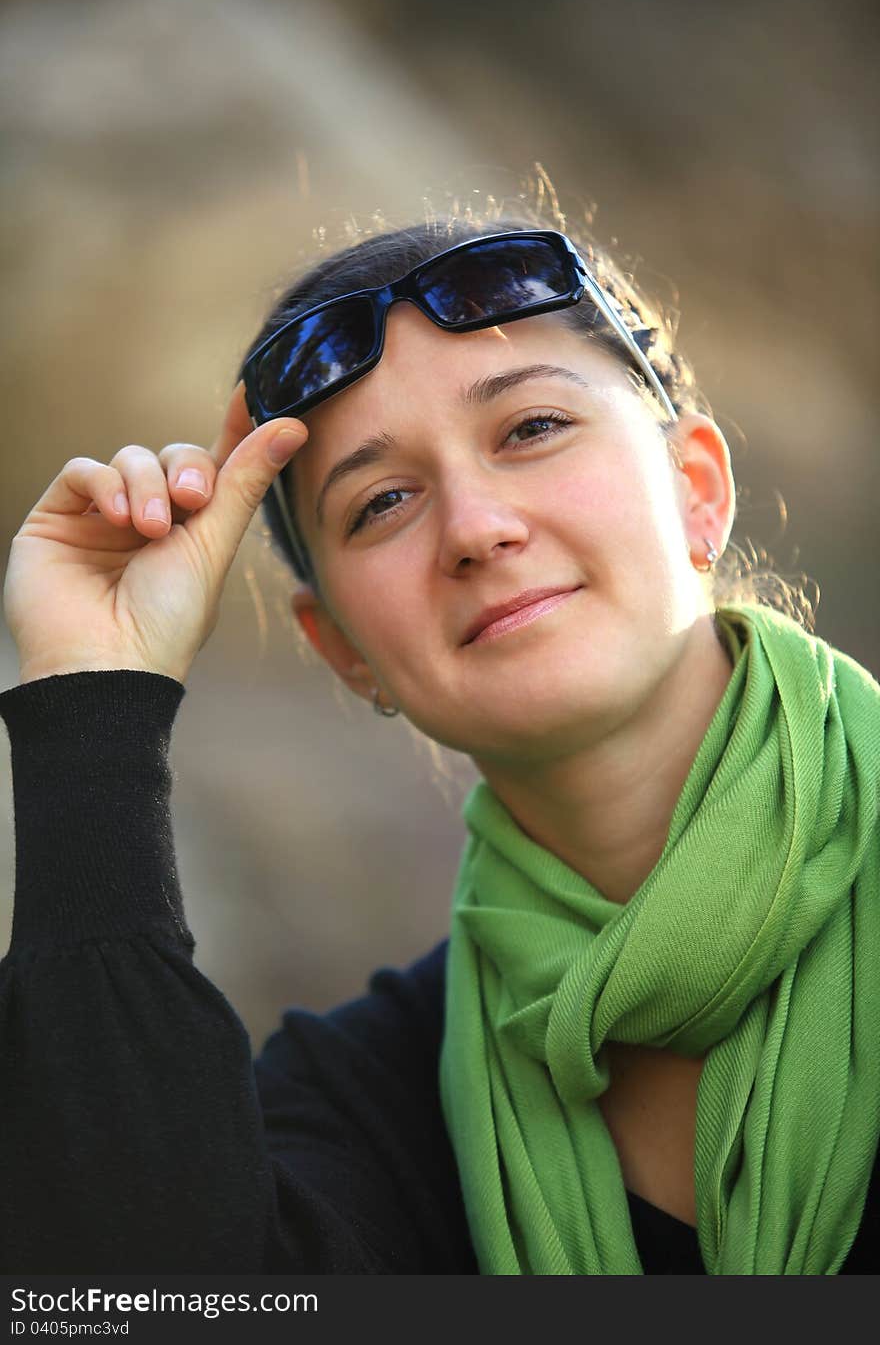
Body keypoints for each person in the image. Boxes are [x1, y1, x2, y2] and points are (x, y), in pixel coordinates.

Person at [1, 199, 878, 1276]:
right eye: (382, 502)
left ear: (697, 491)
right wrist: (92, 704)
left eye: (531, 429)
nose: (475, 528)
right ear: (345, 653)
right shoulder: (371, 1098)